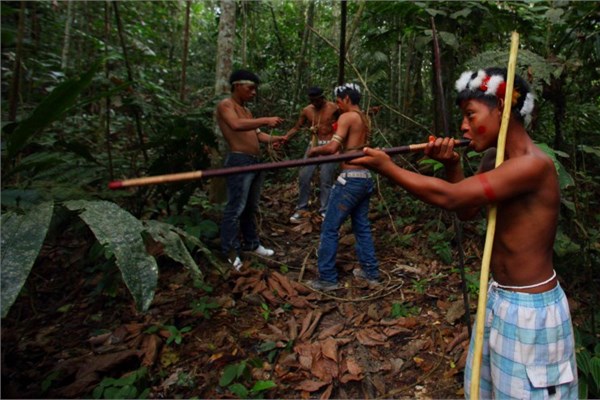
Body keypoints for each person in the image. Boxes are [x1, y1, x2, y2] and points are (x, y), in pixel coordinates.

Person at [351, 68, 577, 398]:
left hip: (531, 311)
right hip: (499, 299)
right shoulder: (491, 160)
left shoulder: (533, 165)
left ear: (501, 107)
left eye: (471, 115)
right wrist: (453, 165)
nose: (463, 126)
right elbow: (467, 210)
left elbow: (451, 197)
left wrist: (388, 168)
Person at [304, 83, 380, 291]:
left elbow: (332, 147)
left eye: (338, 101)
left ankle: (327, 278)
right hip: (364, 177)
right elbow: (348, 150)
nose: (337, 105)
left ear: (346, 98)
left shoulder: (347, 117)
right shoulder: (364, 118)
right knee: (361, 227)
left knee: (329, 228)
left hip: (350, 180)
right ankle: (370, 273)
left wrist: (314, 151)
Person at [216, 69, 286, 270]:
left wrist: (276, 139)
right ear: (237, 86)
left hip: (255, 162)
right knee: (235, 208)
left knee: (249, 207)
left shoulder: (247, 111)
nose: (254, 93)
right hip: (239, 161)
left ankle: (252, 244)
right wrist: (265, 119)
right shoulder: (226, 105)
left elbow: (258, 135)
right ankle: (230, 252)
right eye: (251, 88)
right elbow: (236, 125)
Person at [280, 87, 339, 222]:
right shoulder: (307, 110)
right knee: (304, 176)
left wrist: (338, 145)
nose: (314, 103)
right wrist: (285, 138)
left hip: (329, 145)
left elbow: (343, 123)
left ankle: (325, 210)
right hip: (313, 145)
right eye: (312, 100)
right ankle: (302, 208)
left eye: (316, 100)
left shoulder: (334, 108)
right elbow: (297, 127)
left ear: (322, 98)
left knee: (326, 178)